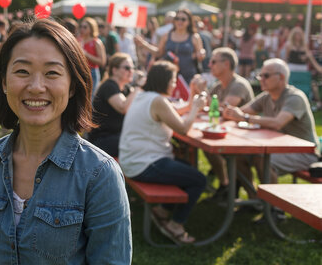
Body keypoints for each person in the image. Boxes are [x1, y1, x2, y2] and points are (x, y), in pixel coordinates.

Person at [0, 19, 131, 264]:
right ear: (5, 82)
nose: (36, 87)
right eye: (22, 71)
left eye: (52, 73)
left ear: (72, 85)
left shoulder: (99, 174)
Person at [119, 60, 207, 244]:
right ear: (164, 80)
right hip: (145, 164)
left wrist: (192, 99)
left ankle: (162, 211)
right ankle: (175, 224)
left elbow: (173, 112)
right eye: (173, 80)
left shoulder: (144, 96)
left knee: (186, 168)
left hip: (133, 160)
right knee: (198, 179)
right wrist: (196, 108)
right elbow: (182, 128)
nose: (175, 84)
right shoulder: (157, 100)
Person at [223, 58, 320, 185]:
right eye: (260, 75)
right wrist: (230, 112)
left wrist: (244, 118)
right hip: (278, 148)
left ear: (281, 77)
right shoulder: (267, 96)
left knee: (263, 160)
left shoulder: (295, 97)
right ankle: (254, 199)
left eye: (266, 75)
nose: (261, 79)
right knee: (237, 156)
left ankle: (271, 204)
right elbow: (240, 112)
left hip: (305, 153)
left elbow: (277, 123)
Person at [190, 47, 255, 202]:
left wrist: (204, 91)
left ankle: (254, 198)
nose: (209, 65)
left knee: (213, 149)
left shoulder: (238, 84)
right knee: (207, 148)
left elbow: (225, 110)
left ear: (226, 64)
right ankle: (226, 185)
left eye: (213, 61)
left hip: (245, 140)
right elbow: (207, 106)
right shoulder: (219, 86)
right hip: (227, 136)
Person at [87, 53, 139, 157]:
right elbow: (123, 107)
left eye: (133, 68)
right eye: (127, 68)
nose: (131, 71)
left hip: (117, 137)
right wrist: (139, 87)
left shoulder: (126, 89)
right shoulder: (109, 86)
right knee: (140, 144)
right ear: (114, 70)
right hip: (102, 140)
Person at [139, 9, 205, 84]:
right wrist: (143, 44)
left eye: (183, 19)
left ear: (189, 21)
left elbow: (200, 54)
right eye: (177, 18)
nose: (179, 21)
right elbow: (159, 53)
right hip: (169, 77)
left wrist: (201, 53)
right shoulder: (167, 35)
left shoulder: (194, 37)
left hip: (188, 77)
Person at [78, 17, 106, 95]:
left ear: (91, 28)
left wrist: (86, 54)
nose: (82, 29)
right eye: (81, 26)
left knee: (89, 99)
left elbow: (102, 62)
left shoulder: (96, 42)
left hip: (92, 72)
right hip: (80, 71)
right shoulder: (78, 40)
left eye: (85, 27)